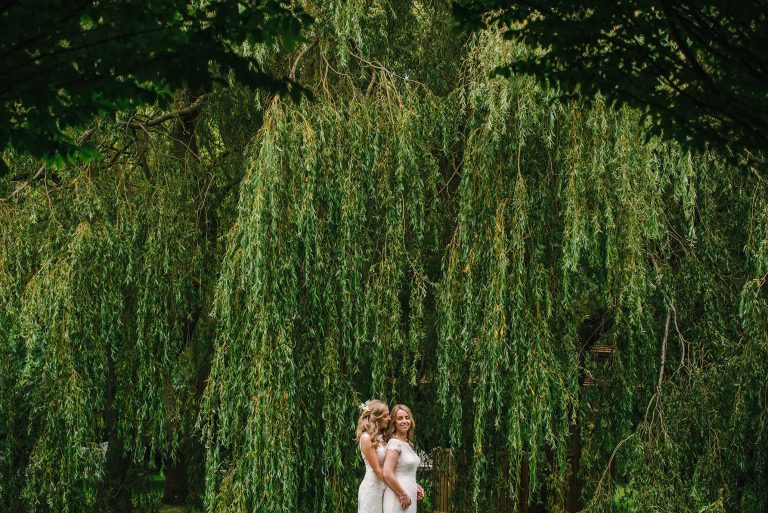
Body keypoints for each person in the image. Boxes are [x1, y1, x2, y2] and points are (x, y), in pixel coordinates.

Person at [382, 404, 424, 512]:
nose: (404, 421)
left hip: (409, 493)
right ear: (394, 422)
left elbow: (403, 472)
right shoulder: (394, 444)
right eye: (400, 418)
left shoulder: (408, 443)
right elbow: (387, 472)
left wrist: (415, 486)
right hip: (398, 495)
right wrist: (402, 495)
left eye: (407, 417)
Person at [356, 399, 391, 513]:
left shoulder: (383, 437)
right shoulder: (366, 439)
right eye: (386, 416)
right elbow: (377, 470)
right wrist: (396, 489)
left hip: (384, 487)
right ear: (377, 417)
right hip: (372, 490)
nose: (389, 418)